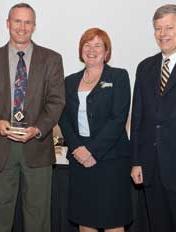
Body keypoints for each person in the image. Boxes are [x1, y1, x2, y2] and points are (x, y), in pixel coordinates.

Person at [0, 3, 65, 232]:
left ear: (34, 26)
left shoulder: (52, 59)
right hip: (0, 147)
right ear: (8, 24)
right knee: (0, 218)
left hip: (37, 146)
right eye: (17, 21)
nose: (22, 27)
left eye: (28, 22)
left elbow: (56, 101)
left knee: (38, 217)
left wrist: (38, 129)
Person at [59, 28, 132, 232]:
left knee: (113, 220)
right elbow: (63, 118)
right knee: (85, 219)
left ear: (106, 52)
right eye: (87, 45)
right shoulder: (69, 81)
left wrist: (91, 150)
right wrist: (78, 148)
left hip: (110, 161)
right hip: (79, 160)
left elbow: (118, 119)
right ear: (81, 50)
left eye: (98, 45)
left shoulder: (118, 76)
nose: (92, 50)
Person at [130, 4, 176, 232]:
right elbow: (138, 118)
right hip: (151, 169)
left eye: (169, 28)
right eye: (158, 29)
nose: (162, 34)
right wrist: (136, 160)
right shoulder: (145, 67)